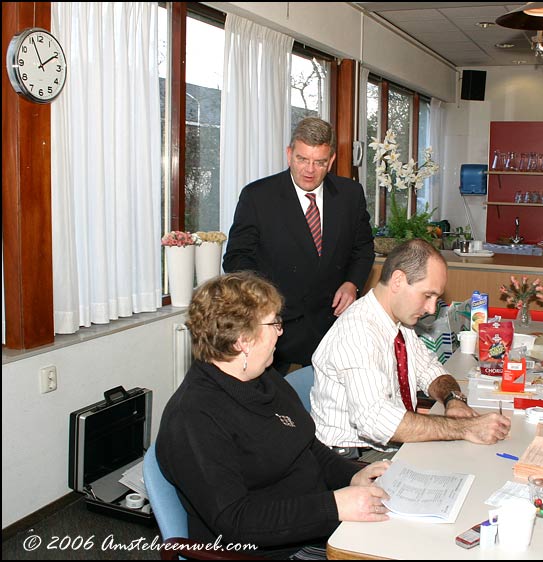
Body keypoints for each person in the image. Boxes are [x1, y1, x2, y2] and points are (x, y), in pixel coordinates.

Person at [155, 272, 390, 559]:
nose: (281, 331)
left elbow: (307, 447)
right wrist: (334, 506)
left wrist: (354, 476)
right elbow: (236, 521)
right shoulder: (194, 418)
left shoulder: (264, 378)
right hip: (271, 551)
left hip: (315, 527)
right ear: (243, 341)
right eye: (274, 323)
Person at [311, 239, 510, 459]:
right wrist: (464, 428)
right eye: (427, 295)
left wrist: (453, 400)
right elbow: (375, 421)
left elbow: (431, 370)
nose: (431, 308)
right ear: (398, 281)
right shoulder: (358, 332)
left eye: (436, 298)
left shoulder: (398, 323)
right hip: (353, 459)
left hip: (387, 447)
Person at [223, 117, 375, 374]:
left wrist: (352, 283)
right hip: (278, 328)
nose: (309, 170)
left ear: (331, 161)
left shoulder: (350, 194)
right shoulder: (258, 196)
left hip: (333, 325)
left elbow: (363, 248)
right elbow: (237, 259)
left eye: (319, 162)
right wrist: (265, 303)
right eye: (302, 159)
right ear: (289, 154)